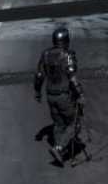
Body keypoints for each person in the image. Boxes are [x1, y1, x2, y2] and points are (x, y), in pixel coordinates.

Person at [34, 27, 84, 164]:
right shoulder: (67, 55)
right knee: (75, 123)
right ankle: (60, 147)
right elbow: (72, 77)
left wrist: (37, 92)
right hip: (64, 96)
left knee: (58, 124)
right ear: (66, 40)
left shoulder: (45, 54)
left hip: (50, 95)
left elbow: (39, 76)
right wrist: (80, 94)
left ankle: (60, 150)